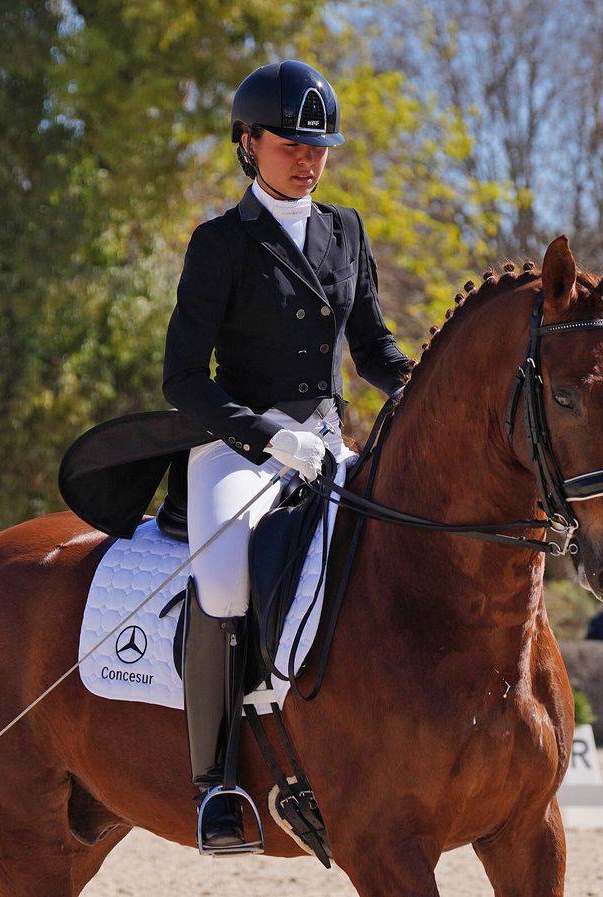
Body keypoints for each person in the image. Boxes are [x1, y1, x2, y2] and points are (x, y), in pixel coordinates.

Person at [163, 60, 413, 851]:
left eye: (319, 147)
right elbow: (181, 380)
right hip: (239, 447)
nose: (307, 160)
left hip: (327, 441)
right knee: (227, 570)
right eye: (289, 145)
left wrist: (425, 384)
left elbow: (372, 348)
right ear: (248, 144)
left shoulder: (347, 229)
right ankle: (217, 786)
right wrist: (266, 435)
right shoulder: (219, 243)